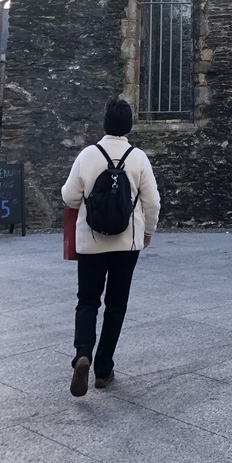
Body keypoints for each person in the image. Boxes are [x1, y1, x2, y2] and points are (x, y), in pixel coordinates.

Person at [61, 95, 160, 397]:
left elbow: (68, 197)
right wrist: (148, 232)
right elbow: (152, 201)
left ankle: (83, 355)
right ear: (129, 125)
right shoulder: (138, 157)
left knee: (88, 301)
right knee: (116, 305)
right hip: (126, 243)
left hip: (91, 243)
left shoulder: (88, 155)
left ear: (105, 123)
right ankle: (103, 370)